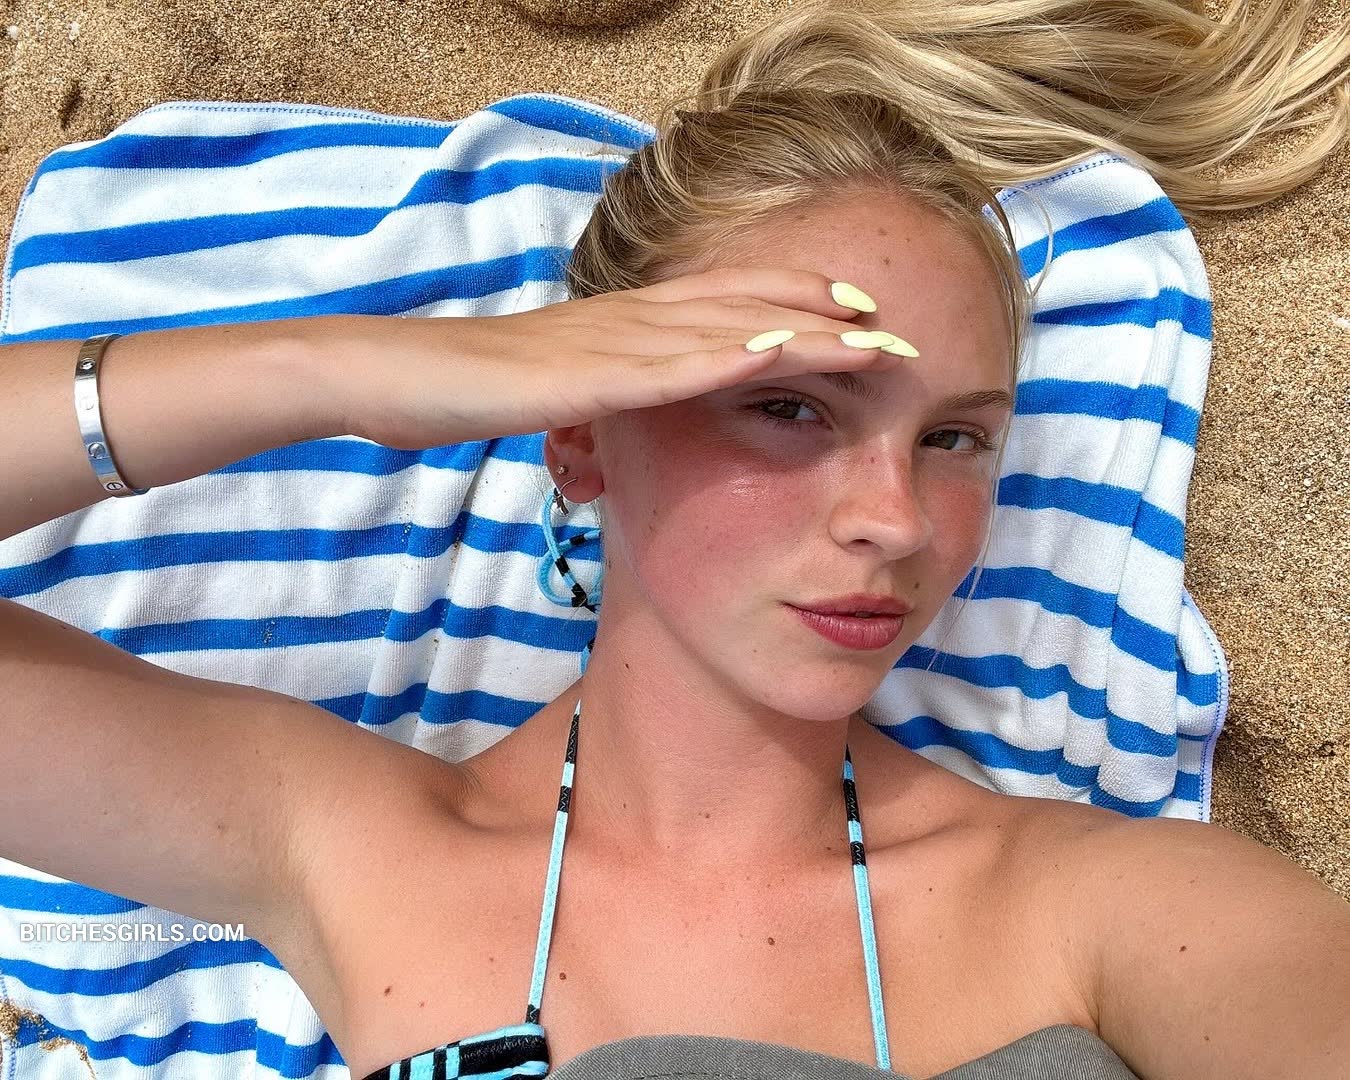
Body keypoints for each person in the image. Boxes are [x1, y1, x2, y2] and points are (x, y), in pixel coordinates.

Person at [3, 1, 1349, 1078]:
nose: (892, 518)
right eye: (788, 408)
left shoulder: (1119, 910)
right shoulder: (352, 849)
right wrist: (347, 370)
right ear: (581, 438)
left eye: (954, 437)